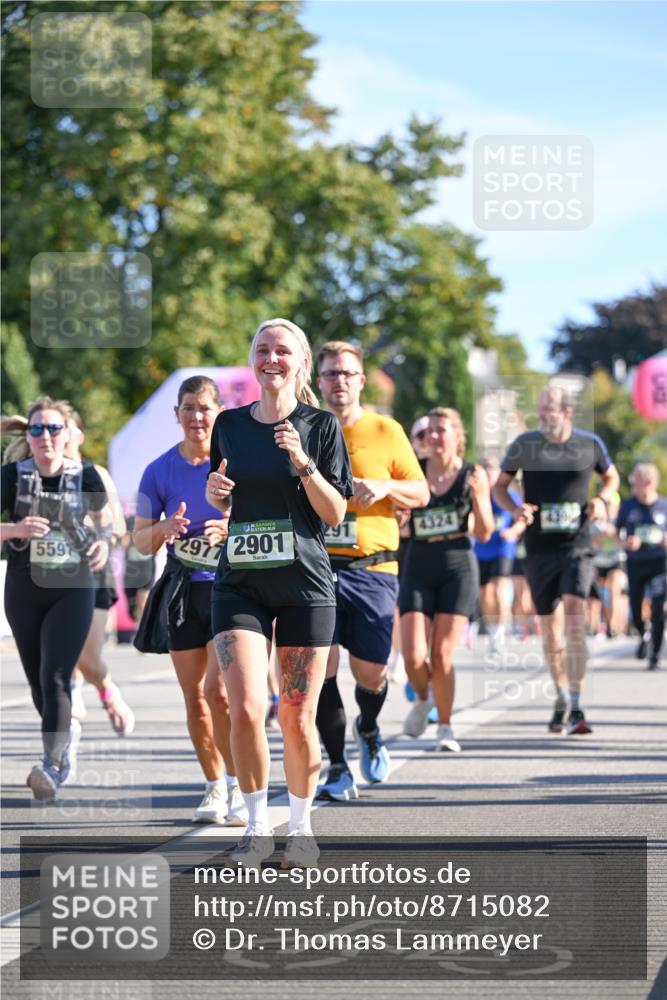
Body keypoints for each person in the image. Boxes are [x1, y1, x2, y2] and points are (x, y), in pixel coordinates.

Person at [207, 318, 352, 869]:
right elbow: (226, 498)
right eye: (262, 349)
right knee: (244, 707)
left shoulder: (320, 426)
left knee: (295, 714)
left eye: (282, 350)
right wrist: (215, 493)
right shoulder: (229, 425)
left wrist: (304, 463)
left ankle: (302, 827)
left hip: (305, 585)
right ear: (253, 359)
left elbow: (335, 511)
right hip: (239, 579)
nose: (271, 358)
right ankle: (255, 826)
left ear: (301, 362)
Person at [313, 342, 429, 802]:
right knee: (321, 668)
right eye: (330, 374)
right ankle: (337, 767)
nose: (338, 380)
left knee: (372, 674)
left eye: (347, 373)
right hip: (317, 567)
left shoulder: (386, 429)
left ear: (361, 380)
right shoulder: (304, 429)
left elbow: (419, 492)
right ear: (318, 381)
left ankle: (369, 726)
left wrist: (383, 486)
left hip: (373, 568)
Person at [133, 376, 245, 826]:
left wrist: (230, 526)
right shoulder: (158, 470)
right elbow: (139, 539)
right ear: (176, 415)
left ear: (218, 411)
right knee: (195, 696)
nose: (197, 417)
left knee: (220, 693)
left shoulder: (235, 463)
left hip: (231, 589)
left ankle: (239, 786)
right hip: (183, 590)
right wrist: (164, 530)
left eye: (204, 407)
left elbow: (270, 518)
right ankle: (213, 787)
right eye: (189, 408)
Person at [494, 385, 620, 734]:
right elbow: (499, 487)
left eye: (548, 409)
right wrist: (515, 509)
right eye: (539, 408)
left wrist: (603, 500)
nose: (541, 415)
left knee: (575, 619)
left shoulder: (589, 444)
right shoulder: (525, 445)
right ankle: (562, 695)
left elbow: (611, 477)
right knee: (551, 631)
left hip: (577, 547)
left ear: (566, 413)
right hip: (539, 550)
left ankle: (578, 705)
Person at [1, 396, 109, 800]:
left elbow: (105, 527)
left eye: (53, 429)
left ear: (68, 435)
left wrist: (101, 543)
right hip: (24, 588)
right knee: (37, 686)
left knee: (56, 675)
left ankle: (51, 765)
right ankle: (67, 735)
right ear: (27, 437)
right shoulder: (11, 476)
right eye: (36, 429)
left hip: (73, 586)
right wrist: (14, 530)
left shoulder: (88, 476)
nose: (45, 436)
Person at [400, 408, 494, 751]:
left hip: (457, 566)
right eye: (428, 432)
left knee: (441, 655)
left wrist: (481, 496)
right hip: (418, 563)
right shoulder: (415, 473)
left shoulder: (472, 474)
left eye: (441, 430)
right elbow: (400, 525)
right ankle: (423, 699)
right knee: (412, 656)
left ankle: (444, 726)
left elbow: (485, 533)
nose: (433, 437)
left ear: (458, 436)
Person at [65, 410, 136, 738]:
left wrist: (94, 532)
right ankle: (69, 697)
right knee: (63, 651)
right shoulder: (37, 476)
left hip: (94, 574)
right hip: (55, 576)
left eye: (67, 429)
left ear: (80, 435)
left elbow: (118, 530)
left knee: (88, 657)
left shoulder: (95, 474)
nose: (60, 436)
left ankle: (107, 691)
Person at [616, 464, 666, 670]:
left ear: (649, 483)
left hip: (660, 563)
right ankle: (642, 632)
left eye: (635, 481)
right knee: (636, 610)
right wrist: (625, 543)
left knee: (657, 608)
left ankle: (654, 654)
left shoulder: (664, 505)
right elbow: (614, 533)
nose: (632, 486)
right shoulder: (628, 506)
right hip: (635, 563)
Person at [473, 456, 525, 653]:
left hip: (503, 548)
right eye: (485, 469)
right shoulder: (476, 495)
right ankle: (493, 630)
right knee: (485, 594)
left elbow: (522, 518)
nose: (488, 473)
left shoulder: (507, 495)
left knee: (499, 589)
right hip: (481, 549)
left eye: (492, 469)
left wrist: (514, 532)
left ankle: (502, 630)